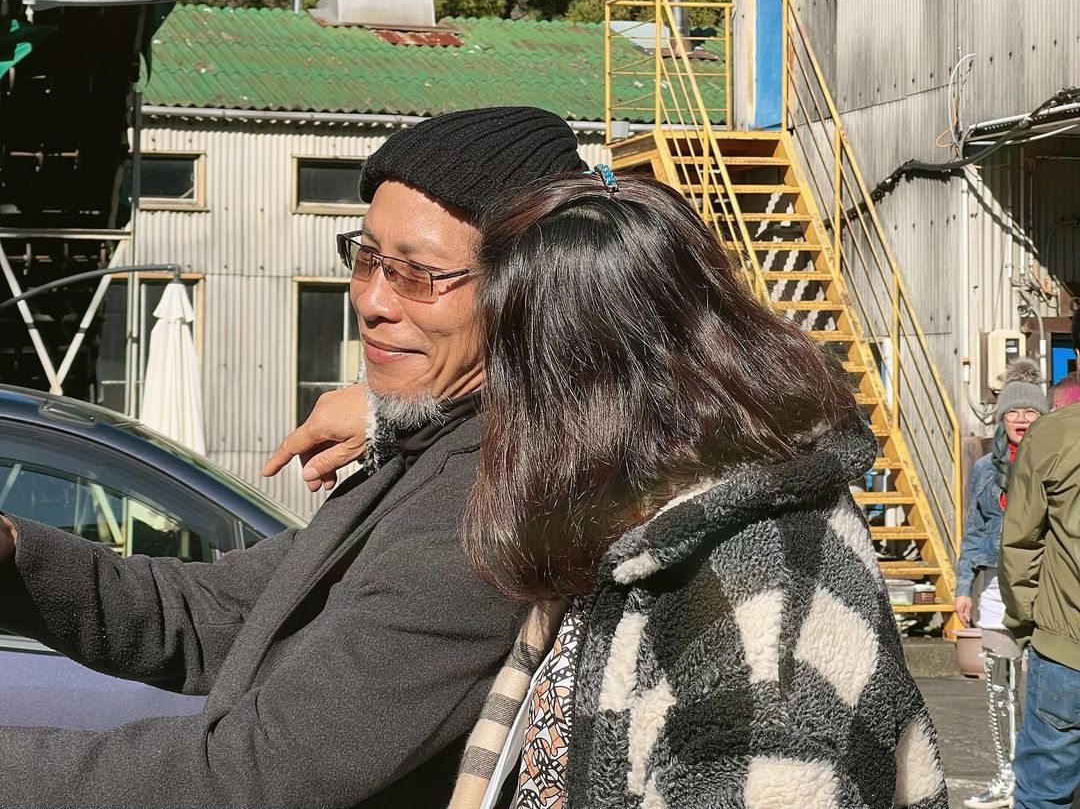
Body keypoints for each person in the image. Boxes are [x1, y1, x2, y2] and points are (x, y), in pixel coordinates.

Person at [0, 105, 587, 808]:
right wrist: (12, 552)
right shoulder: (431, 445)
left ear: (528, 290)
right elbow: (205, 614)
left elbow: (251, 775)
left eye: (418, 275)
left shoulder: (485, 509)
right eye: (367, 258)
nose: (370, 301)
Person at [448, 170, 947, 809]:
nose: (488, 394)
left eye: (506, 363)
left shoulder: (762, 608)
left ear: (580, 385)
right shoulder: (629, 519)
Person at [952, 360, 1048, 809]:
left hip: (1048, 586)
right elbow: (973, 529)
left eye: (1030, 412)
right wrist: (962, 586)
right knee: (999, 687)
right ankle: (1005, 777)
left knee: (1047, 688)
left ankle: (1041, 781)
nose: (1021, 420)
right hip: (994, 586)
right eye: (1013, 412)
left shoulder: (1057, 462)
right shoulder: (987, 469)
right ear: (1002, 417)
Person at [1001, 362, 1080, 809]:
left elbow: (1020, 544)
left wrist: (1027, 623)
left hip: (1066, 644)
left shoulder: (1052, 435)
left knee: (1044, 795)